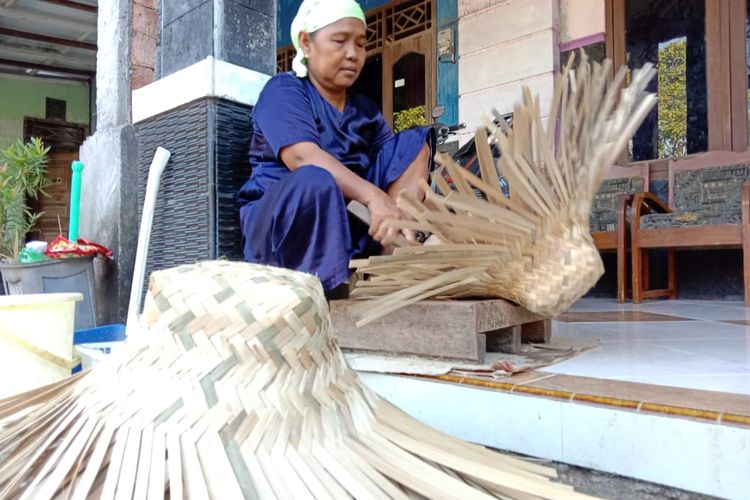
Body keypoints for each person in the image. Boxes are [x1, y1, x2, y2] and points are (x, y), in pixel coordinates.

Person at [237, 0, 435, 294]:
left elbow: (398, 164)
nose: (353, 54)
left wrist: (424, 212)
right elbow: (302, 157)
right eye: (340, 41)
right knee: (315, 179)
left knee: (414, 143)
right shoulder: (284, 90)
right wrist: (373, 196)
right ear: (307, 43)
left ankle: (387, 259)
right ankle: (330, 289)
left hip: (349, 223)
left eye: (360, 44)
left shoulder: (365, 110)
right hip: (285, 226)